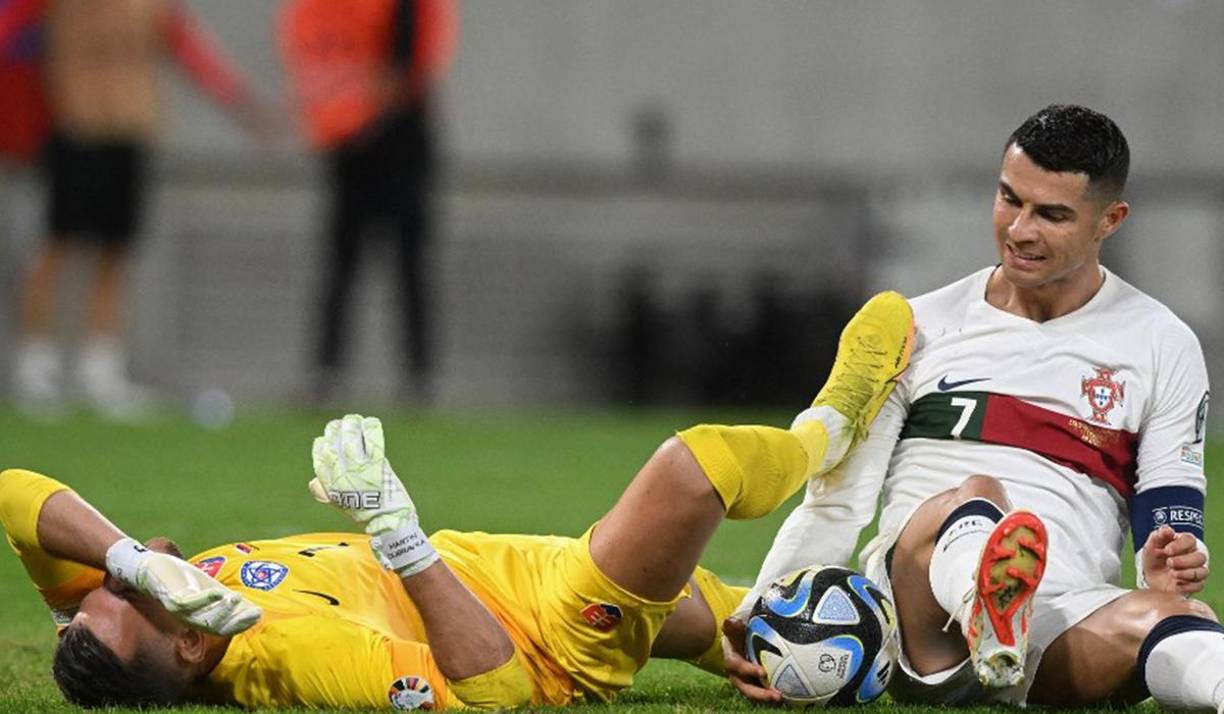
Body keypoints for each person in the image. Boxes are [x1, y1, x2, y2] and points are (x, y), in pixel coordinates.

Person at [1, 291, 915, 709]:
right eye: (132, 601)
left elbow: (14, 494)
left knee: (749, 628)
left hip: (525, 566)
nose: (121, 577)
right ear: (193, 646)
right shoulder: (293, 659)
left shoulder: (151, 593)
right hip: (553, 639)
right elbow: (493, 694)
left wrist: (123, 564)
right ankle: (829, 439)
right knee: (693, 469)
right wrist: (397, 530)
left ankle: (811, 631)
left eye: (103, 588)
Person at [725, 104, 1222, 710]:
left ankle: (1011, 631)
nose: (1020, 229)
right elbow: (839, 502)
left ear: (1109, 220)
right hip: (921, 628)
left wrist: (1165, 567)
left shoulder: (1160, 340)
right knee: (977, 492)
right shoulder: (917, 325)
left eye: (1052, 214)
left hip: (1058, 623)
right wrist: (761, 617)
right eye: (1010, 199)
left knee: (1184, 621)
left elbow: (1170, 504)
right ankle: (984, 611)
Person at [5, 0, 268, 420]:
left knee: (116, 253)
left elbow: (190, 53)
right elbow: (10, 31)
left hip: (131, 130)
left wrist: (242, 106)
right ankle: (36, 367)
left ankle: (100, 370)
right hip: (78, 127)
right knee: (57, 248)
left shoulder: (153, 6)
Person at [278, 0, 458, 403]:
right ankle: (326, 372)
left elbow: (413, 65)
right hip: (351, 142)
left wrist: (366, 102)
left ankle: (419, 376)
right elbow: (313, 50)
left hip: (402, 138)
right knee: (342, 260)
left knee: (409, 261)